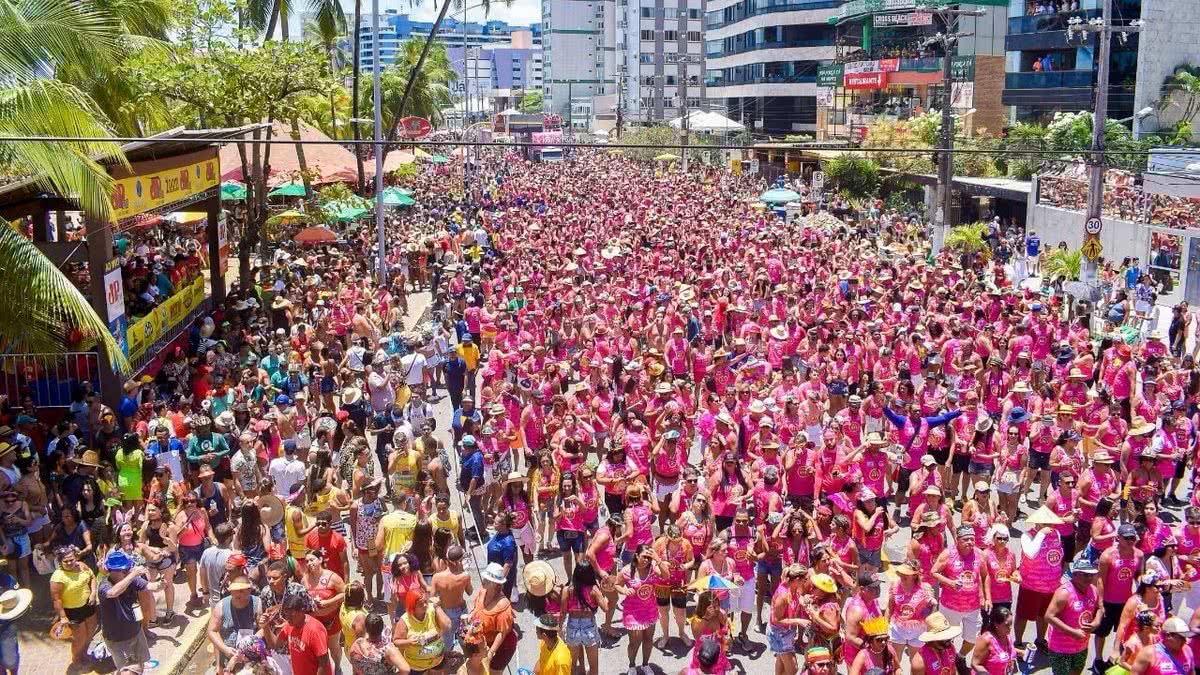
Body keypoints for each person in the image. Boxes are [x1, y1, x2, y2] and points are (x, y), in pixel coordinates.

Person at [98, 550, 160, 674]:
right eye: (126, 570)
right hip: (118, 638)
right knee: (128, 671)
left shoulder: (131, 580)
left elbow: (151, 586)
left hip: (136, 631)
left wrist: (162, 583)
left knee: (140, 665)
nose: (128, 571)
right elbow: (113, 593)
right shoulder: (105, 585)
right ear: (114, 571)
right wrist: (133, 574)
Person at [1046, 558, 1102, 675]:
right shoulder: (1064, 593)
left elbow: (1100, 608)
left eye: (1091, 575)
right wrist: (1073, 632)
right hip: (1060, 647)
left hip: (1081, 645)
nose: (1089, 578)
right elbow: (1049, 616)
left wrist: (1096, 622)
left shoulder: (1093, 590)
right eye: (1085, 575)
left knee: (1077, 671)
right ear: (1075, 574)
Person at [50, 544, 98, 669]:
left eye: (71, 559)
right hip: (72, 611)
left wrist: (93, 593)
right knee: (80, 638)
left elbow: (92, 577)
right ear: (60, 562)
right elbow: (56, 599)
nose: (70, 563)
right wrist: (63, 617)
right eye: (66, 561)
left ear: (75, 557)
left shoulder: (82, 566)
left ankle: (84, 654)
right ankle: (76, 660)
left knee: (91, 631)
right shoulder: (58, 577)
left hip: (88, 605)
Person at [264, 592, 334, 675]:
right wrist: (265, 626)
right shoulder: (290, 625)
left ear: (302, 611)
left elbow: (324, 663)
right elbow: (275, 644)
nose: (288, 619)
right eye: (286, 616)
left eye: (292, 616)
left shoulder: (315, 631)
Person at [208, 575, 262, 675]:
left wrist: (250, 643)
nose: (238, 594)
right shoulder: (221, 606)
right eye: (235, 591)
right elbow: (212, 631)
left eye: (241, 591)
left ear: (249, 590)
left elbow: (263, 629)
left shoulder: (257, 603)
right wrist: (225, 649)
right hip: (228, 654)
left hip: (250, 656)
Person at [1129, 616, 1195, 674]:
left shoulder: (1187, 651)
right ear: (1168, 636)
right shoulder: (1149, 654)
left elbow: (1191, 672)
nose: (1185, 641)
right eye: (1181, 638)